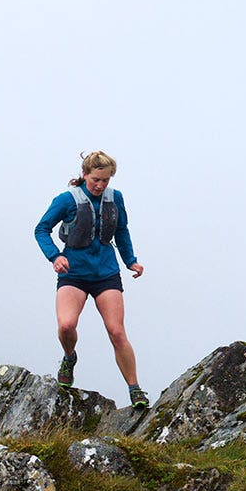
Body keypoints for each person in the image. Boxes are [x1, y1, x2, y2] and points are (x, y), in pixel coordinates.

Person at [32, 150, 149, 409]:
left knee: (117, 332)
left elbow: (121, 230)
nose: (100, 185)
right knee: (66, 325)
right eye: (96, 179)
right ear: (84, 175)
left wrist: (130, 260)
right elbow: (41, 229)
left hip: (106, 272)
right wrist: (54, 257)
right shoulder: (66, 200)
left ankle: (135, 389)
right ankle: (69, 357)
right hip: (73, 272)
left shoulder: (115, 198)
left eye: (106, 180)